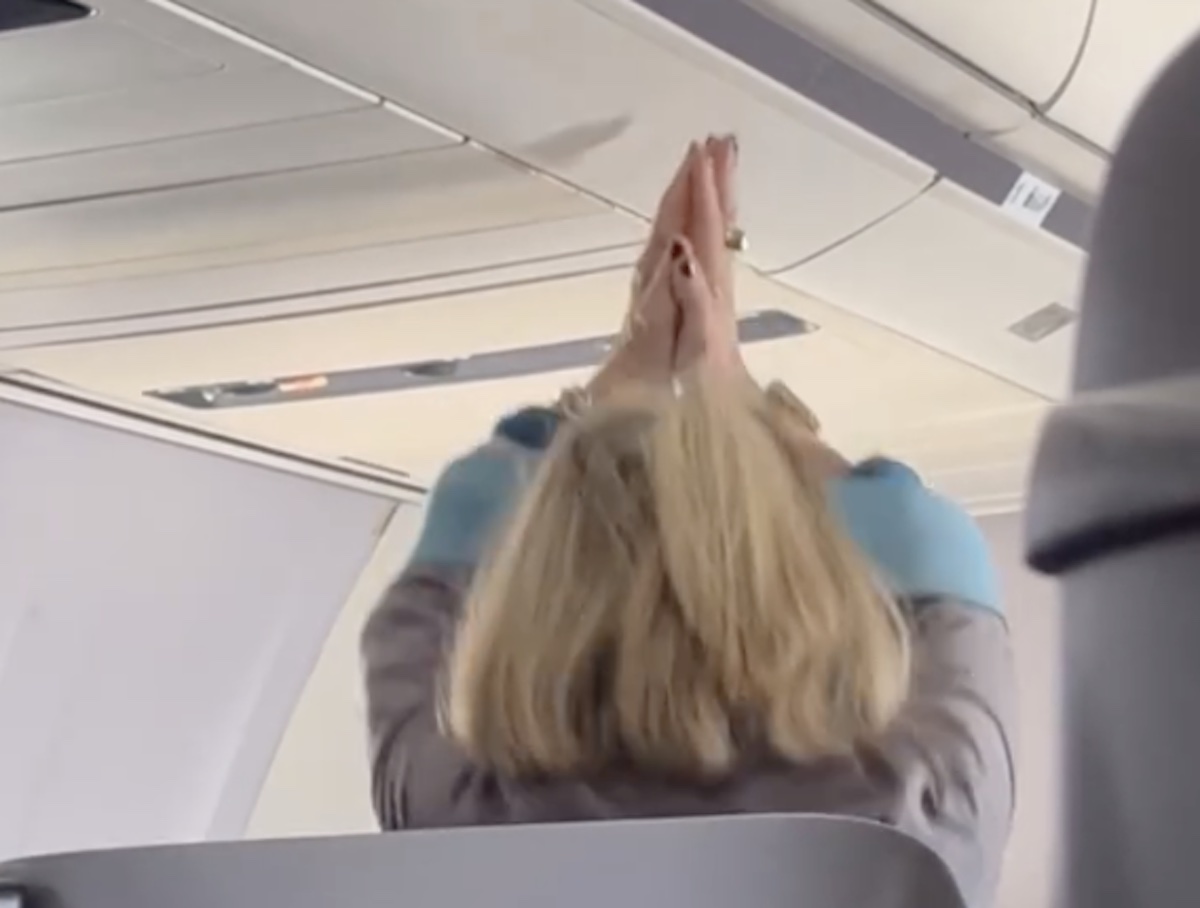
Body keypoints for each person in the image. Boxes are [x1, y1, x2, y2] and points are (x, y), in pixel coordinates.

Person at [362, 136, 1016, 906]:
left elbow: (919, 537)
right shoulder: (907, 831)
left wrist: (673, 370)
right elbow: (913, 529)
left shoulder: (934, 821)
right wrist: (719, 381)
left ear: (526, 616)